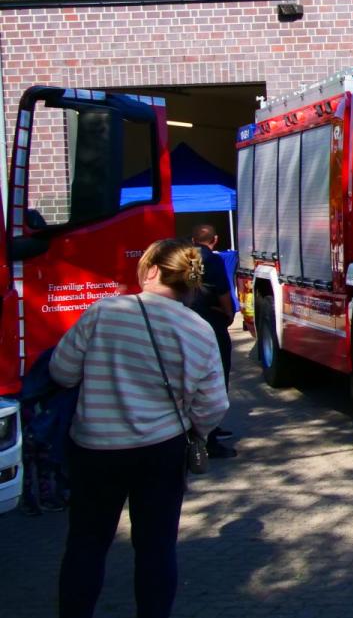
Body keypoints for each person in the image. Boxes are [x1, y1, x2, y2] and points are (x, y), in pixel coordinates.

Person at [51, 238, 229, 618]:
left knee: (86, 545)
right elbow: (214, 404)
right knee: (156, 549)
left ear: (151, 270)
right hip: (162, 451)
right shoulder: (198, 329)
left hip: (95, 450)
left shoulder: (103, 312)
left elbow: (61, 372)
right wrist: (195, 430)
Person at [188, 224, 237, 458]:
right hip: (211, 323)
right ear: (215, 239)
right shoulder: (213, 260)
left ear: (193, 240)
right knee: (216, 377)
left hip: (189, 323)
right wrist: (229, 314)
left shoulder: (185, 257)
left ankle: (205, 431)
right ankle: (209, 438)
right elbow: (222, 291)